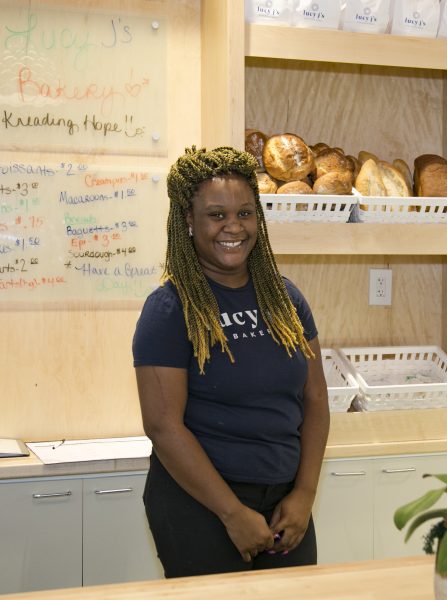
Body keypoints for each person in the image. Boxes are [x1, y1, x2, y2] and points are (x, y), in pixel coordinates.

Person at [132, 146, 329, 578]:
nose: (233, 226)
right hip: (200, 505)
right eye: (216, 215)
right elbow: (163, 427)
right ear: (188, 220)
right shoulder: (170, 309)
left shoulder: (286, 299)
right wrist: (232, 513)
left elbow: (315, 398)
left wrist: (304, 493)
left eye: (245, 213)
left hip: (285, 504)